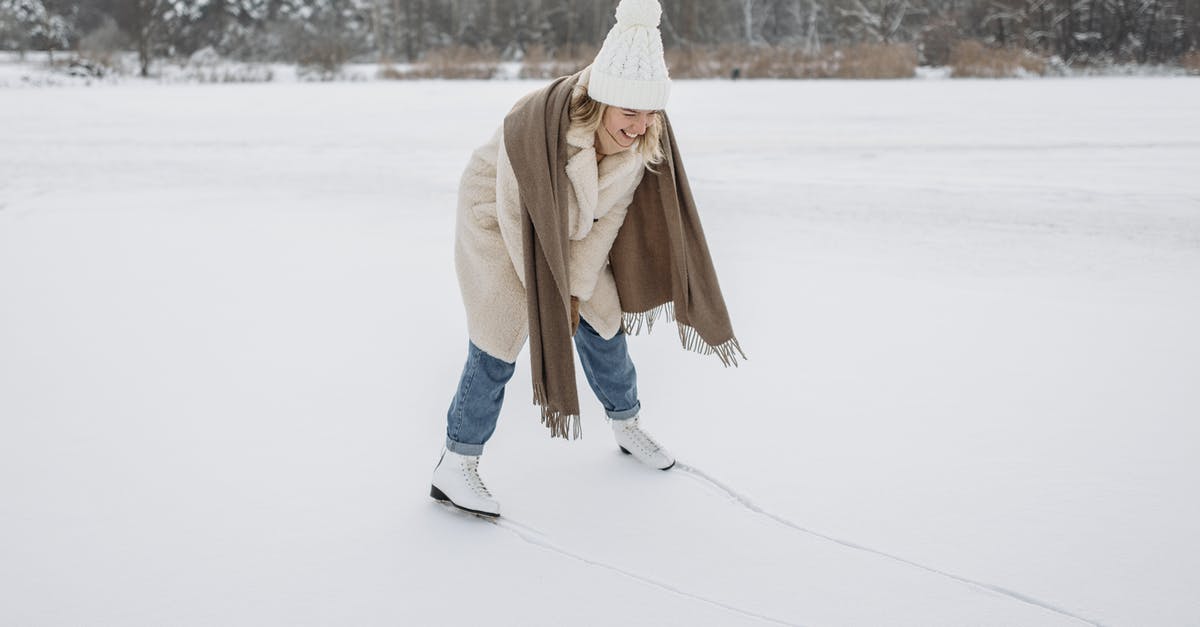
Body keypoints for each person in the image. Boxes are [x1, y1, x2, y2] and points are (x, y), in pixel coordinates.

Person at [431, 0, 743, 518]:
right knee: (499, 338)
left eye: (651, 113)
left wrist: (574, 290)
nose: (641, 125)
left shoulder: (642, 144)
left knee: (603, 321)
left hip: (570, 228)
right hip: (498, 221)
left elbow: (610, 220)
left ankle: (627, 424)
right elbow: (516, 216)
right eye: (630, 113)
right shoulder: (534, 126)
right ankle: (455, 464)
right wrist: (549, 298)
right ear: (601, 101)